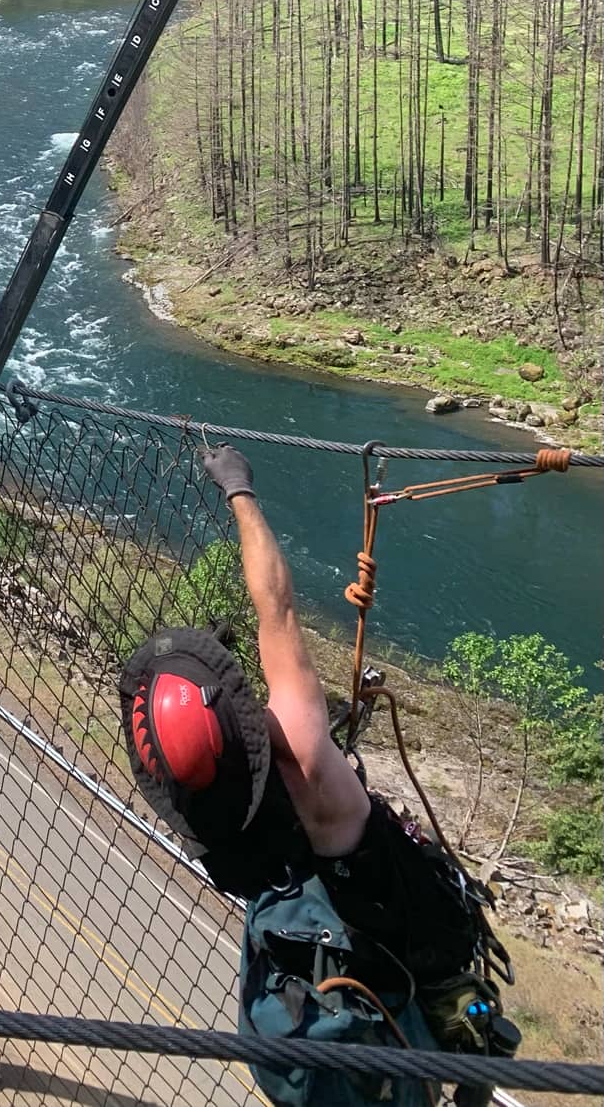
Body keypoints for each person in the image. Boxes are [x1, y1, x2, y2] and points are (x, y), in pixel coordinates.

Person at [119, 444, 516, 1107]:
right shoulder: (306, 756)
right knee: (472, 1020)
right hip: (402, 944)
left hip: (316, 957)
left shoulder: (212, 816)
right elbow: (276, 605)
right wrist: (239, 489)